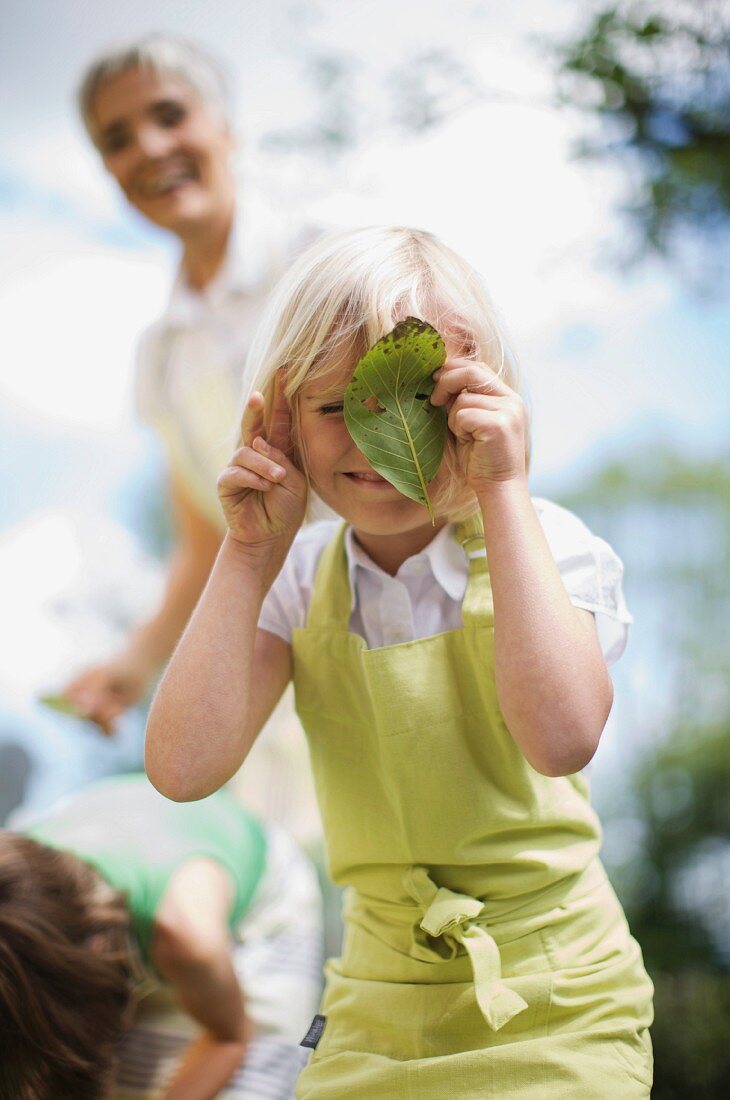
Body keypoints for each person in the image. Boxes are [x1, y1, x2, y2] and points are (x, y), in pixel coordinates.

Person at [145, 226, 654, 1097]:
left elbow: (563, 738)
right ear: (279, 420)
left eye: (410, 401)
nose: (370, 442)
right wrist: (245, 554)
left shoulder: (543, 546)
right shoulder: (297, 581)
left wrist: (502, 489)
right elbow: (184, 768)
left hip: (557, 998)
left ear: (476, 397)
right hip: (375, 1007)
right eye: (333, 408)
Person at [57, 34, 317, 836]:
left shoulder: (326, 260)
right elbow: (204, 540)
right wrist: (132, 667)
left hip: (399, 633)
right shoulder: (160, 359)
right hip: (271, 679)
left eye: (170, 115)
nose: (151, 149)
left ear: (225, 126)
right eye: (118, 139)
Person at [0, 773, 323, 1100]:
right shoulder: (17, 881)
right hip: (114, 814)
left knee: (257, 1087)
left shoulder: (185, 936)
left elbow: (231, 1039)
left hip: (258, 893)